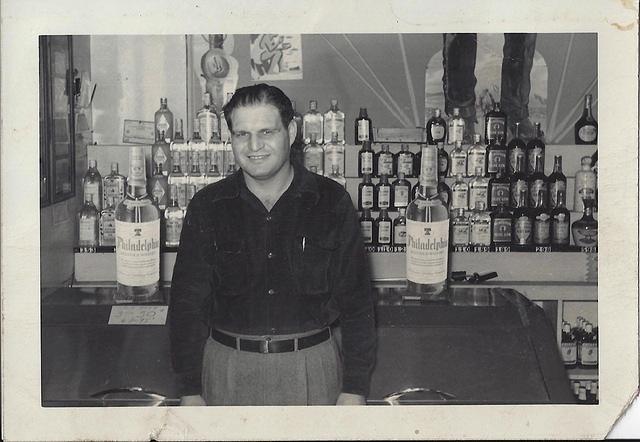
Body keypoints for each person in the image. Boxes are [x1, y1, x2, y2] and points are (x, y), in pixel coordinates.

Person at [169, 83, 376, 406]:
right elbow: (186, 307)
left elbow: (358, 303)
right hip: (227, 370)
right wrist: (189, 391)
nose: (254, 146)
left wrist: (354, 388)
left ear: (290, 131)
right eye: (242, 134)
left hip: (311, 369)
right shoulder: (208, 206)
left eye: (267, 132)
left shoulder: (331, 201)